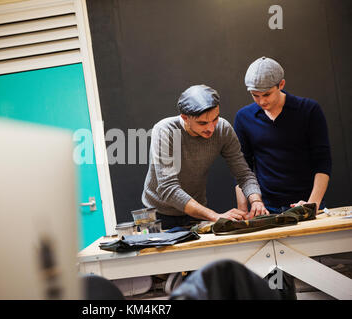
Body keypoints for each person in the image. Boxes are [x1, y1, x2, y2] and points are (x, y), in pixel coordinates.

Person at [141, 84, 268, 230]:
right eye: (202, 123)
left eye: (215, 118)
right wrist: (215, 216)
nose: (211, 128)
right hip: (158, 215)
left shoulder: (222, 128)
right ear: (185, 118)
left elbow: (244, 175)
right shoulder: (165, 131)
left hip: (196, 213)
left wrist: (256, 200)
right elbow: (168, 189)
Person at [234, 57, 332, 217]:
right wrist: (244, 211)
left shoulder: (308, 110)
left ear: (281, 84)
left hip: (306, 203)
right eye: (255, 95)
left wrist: (312, 204)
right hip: (266, 209)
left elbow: (323, 162)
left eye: (266, 94)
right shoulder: (244, 117)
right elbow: (242, 169)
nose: (261, 101)